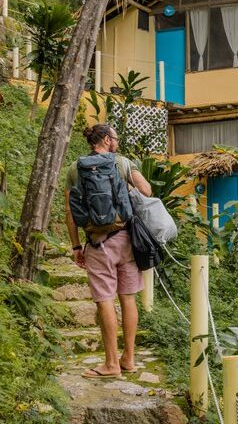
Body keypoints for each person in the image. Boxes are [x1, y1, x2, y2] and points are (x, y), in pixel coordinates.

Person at [65, 124, 152, 379]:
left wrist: (75, 246)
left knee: (105, 300)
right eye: (115, 137)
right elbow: (147, 191)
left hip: (97, 242)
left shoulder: (75, 168)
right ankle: (129, 359)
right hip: (126, 239)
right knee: (128, 298)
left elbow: (70, 211)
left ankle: (111, 363)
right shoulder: (123, 163)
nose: (117, 141)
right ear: (106, 139)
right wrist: (126, 191)